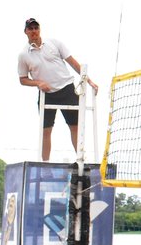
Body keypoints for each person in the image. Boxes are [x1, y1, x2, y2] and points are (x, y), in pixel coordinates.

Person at [17, 18, 99, 161]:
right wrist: (38, 83)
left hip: (66, 88)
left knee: (75, 126)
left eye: (36, 28)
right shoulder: (24, 54)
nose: (34, 31)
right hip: (46, 94)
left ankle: (81, 159)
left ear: (40, 29)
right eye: (30, 29)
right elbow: (23, 79)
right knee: (46, 130)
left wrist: (89, 80)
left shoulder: (54, 43)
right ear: (25, 32)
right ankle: (45, 164)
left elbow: (73, 63)